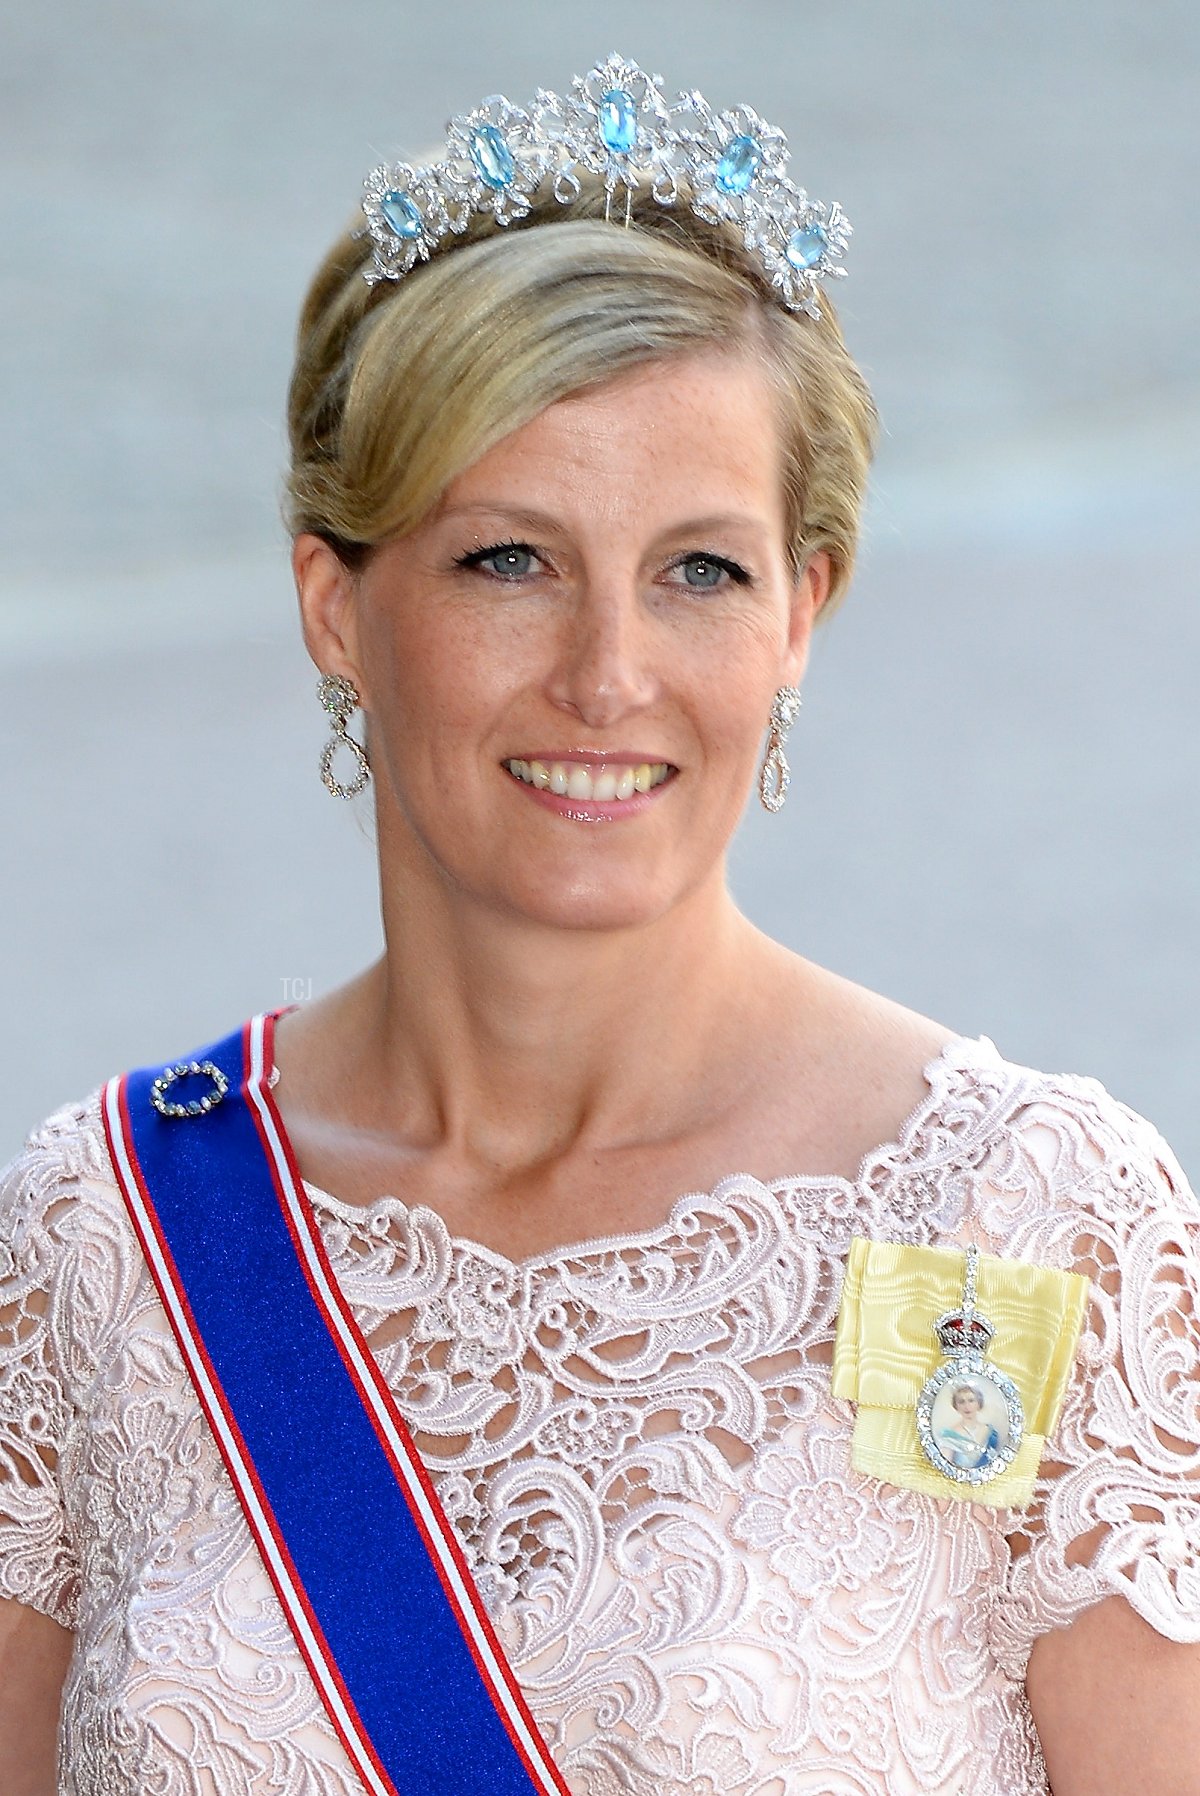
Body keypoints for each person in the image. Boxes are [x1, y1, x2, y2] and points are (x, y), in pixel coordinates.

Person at [1, 54, 1198, 1796]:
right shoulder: (100, 1239)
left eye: (700, 571)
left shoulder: (1028, 1221)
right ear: (336, 603)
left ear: (802, 612)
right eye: (509, 560)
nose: (608, 675)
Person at [937, 1383, 1002, 1472]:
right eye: (961, 1402)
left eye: (971, 1401)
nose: (967, 1406)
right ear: (956, 1406)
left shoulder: (991, 1433)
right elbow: (945, 1466)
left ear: (979, 1403)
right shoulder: (950, 1435)